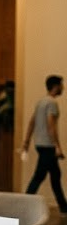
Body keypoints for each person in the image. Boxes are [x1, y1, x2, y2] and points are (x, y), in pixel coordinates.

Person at [23, 75, 67, 213]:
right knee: (39, 176)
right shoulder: (52, 103)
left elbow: (31, 123)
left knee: (55, 175)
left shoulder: (40, 102)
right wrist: (57, 147)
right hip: (48, 146)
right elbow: (51, 125)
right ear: (56, 86)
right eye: (61, 85)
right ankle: (23, 205)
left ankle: (63, 207)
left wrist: (26, 142)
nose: (63, 88)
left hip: (40, 144)